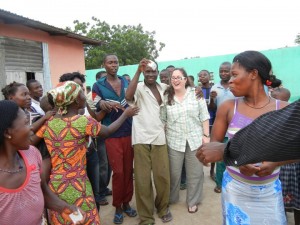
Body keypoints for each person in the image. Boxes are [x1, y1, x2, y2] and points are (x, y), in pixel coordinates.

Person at [197, 50, 290, 224]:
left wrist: (275, 163)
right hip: (236, 190)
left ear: (253, 74)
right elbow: (214, 147)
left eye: (234, 74)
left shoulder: (283, 109)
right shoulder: (228, 108)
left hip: (270, 191)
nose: (229, 81)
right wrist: (236, 160)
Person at [31, 81, 138, 224]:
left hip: (56, 185)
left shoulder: (49, 123)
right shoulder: (83, 121)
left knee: (65, 220)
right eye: (81, 93)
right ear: (75, 100)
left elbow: (30, 141)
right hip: (78, 183)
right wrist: (125, 114)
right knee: (84, 219)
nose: (84, 96)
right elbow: (107, 132)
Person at [0, 100, 85, 225]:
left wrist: (63, 207)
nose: (31, 129)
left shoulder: (32, 154)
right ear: (8, 132)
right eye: (25, 124)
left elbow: (42, 191)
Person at [125, 59, 172, 225]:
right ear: (143, 73)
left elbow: (181, 91)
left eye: (153, 71)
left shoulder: (164, 88)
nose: (150, 74)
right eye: (147, 72)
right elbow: (127, 96)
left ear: (158, 73)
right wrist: (137, 71)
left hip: (159, 137)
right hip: (141, 138)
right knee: (143, 180)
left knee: (162, 177)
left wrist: (196, 91)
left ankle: (163, 208)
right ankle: (145, 217)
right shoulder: (137, 87)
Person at [92, 54, 137, 224]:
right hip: (111, 134)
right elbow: (97, 105)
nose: (113, 65)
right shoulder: (98, 85)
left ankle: (127, 203)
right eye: (110, 62)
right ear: (104, 65)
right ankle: (117, 206)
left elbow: (133, 99)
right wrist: (102, 103)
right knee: (118, 172)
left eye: (116, 62)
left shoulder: (126, 82)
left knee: (128, 171)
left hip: (130, 131)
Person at [161, 68, 210, 214]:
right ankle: (172, 197)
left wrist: (206, 136)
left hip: (195, 140)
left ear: (185, 79)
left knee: (195, 172)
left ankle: (193, 201)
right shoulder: (166, 96)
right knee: (173, 173)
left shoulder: (195, 94)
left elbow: (204, 116)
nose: (175, 80)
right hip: (174, 141)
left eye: (179, 77)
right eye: (173, 78)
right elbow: (163, 119)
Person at [210, 61, 235, 193]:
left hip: (235, 128)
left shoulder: (236, 85)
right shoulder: (215, 87)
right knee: (220, 158)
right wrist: (212, 99)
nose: (223, 73)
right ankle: (219, 183)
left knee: (236, 157)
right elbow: (212, 109)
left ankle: (234, 183)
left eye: (226, 70)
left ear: (231, 71)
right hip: (221, 128)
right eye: (221, 71)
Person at [198, 69, 217, 181]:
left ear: (209, 76)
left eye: (204, 75)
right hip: (201, 123)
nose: (202, 77)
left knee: (213, 147)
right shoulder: (197, 90)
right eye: (200, 76)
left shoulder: (213, 90)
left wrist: (213, 99)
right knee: (201, 148)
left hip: (213, 122)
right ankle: (199, 171)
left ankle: (211, 171)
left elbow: (213, 108)